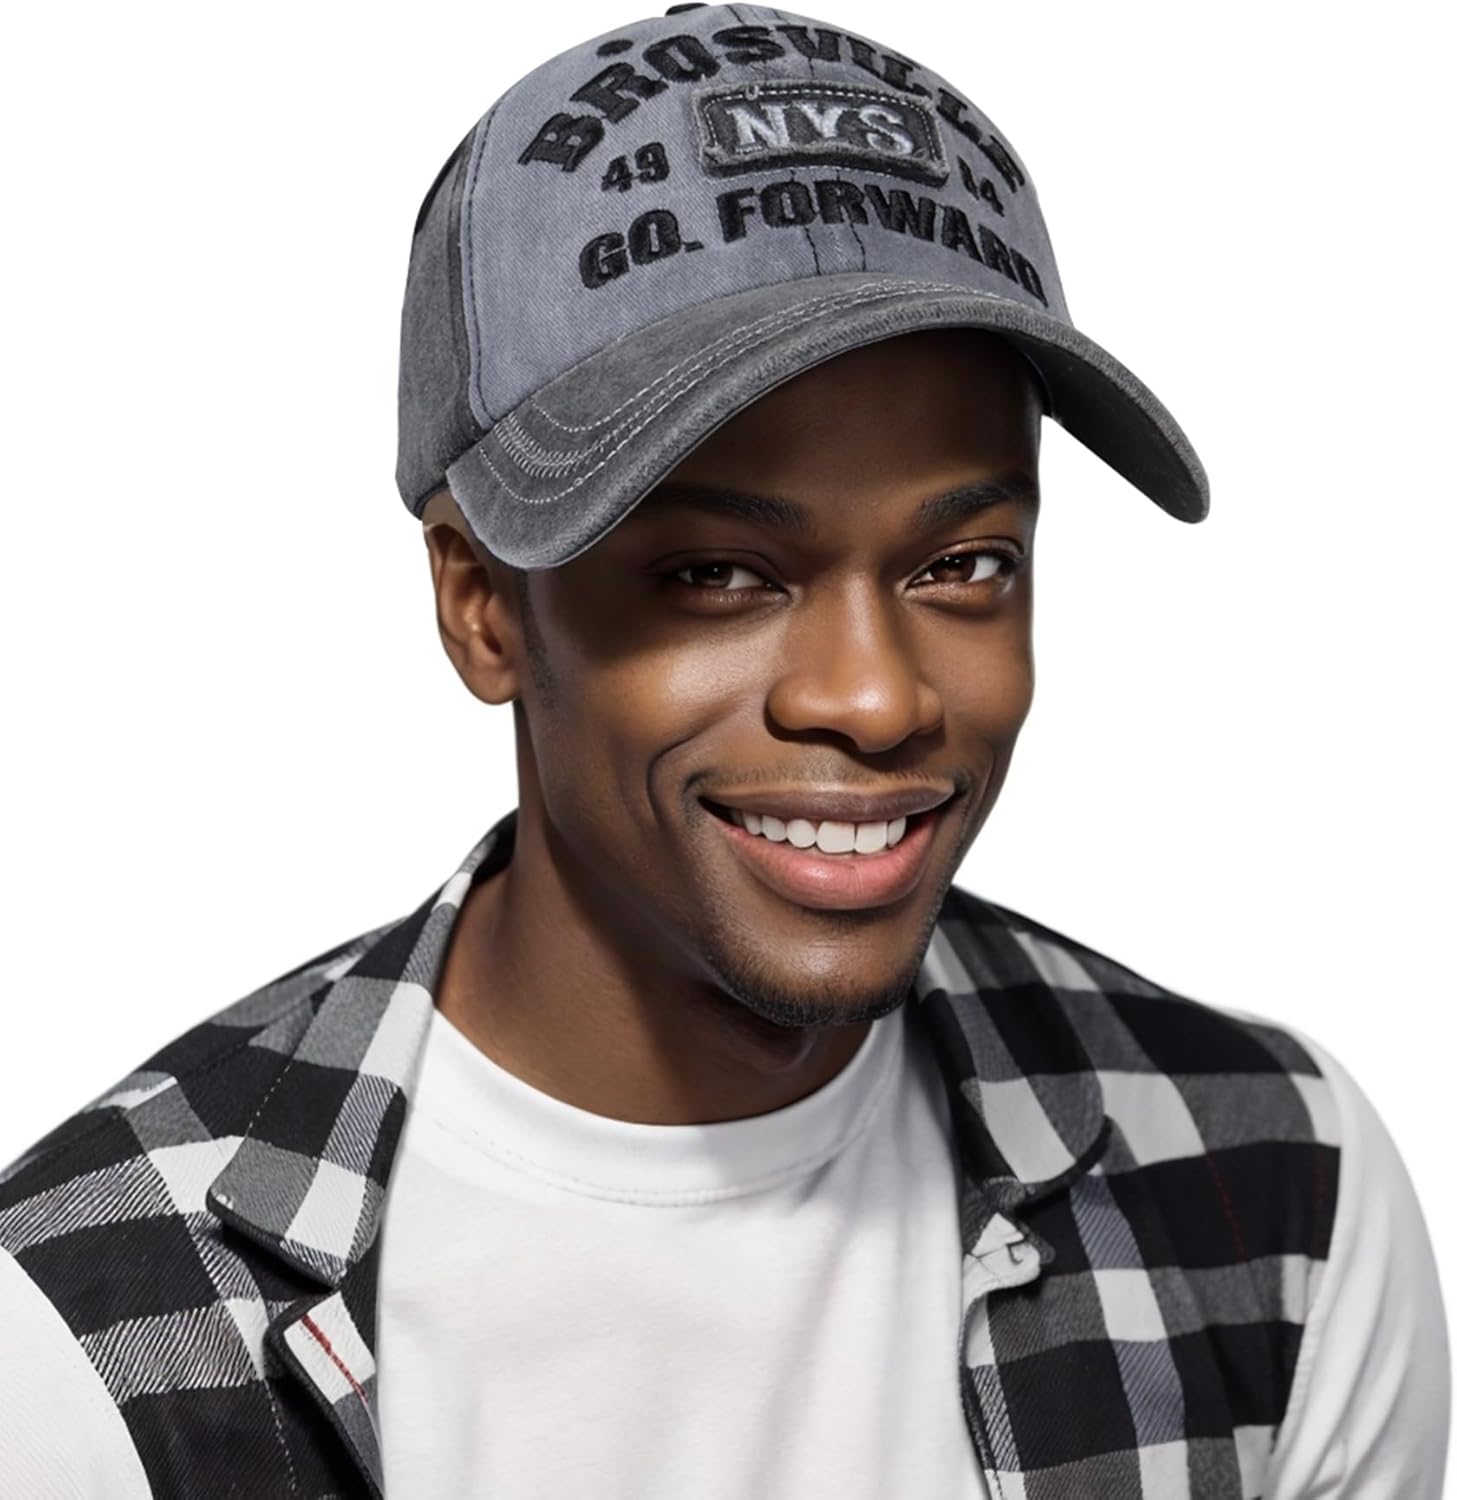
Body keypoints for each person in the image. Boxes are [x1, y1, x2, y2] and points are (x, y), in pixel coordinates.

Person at [0, 4, 1448, 1497]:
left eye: (962, 566)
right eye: (718, 576)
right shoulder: (83, 1342)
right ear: (482, 604)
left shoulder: (1275, 1195)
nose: (873, 699)